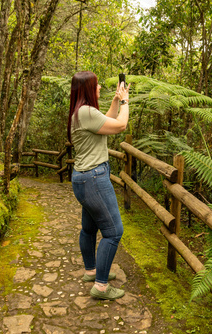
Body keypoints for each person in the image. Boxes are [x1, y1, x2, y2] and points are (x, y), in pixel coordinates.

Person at [67, 71, 130, 300]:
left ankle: (92, 271)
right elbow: (120, 125)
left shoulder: (80, 112)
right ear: (87, 89)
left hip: (83, 179)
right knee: (113, 232)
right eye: (96, 85)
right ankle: (101, 286)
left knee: (89, 229)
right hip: (94, 179)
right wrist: (125, 101)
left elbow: (107, 121)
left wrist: (115, 101)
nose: (100, 87)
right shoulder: (86, 112)